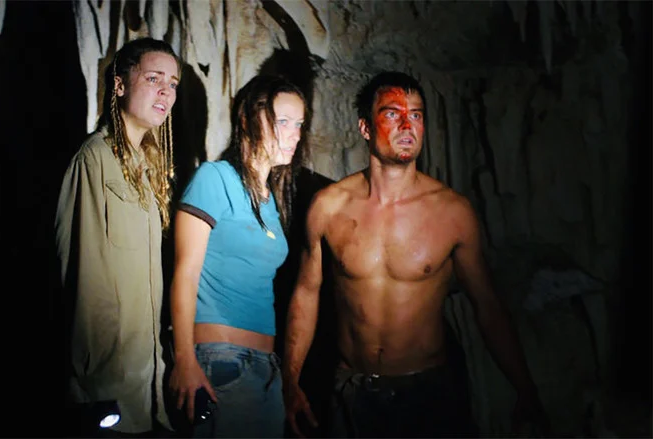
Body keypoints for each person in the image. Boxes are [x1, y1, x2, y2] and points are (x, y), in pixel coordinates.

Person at [282, 71, 549, 438]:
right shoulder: (328, 207)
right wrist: (290, 379)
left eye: (417, 115)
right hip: (353, 390)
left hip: (428, 392)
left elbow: (487, 304)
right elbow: (306, 293)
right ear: (365, 127)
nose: (408, 126)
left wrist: (525, 387)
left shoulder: (452, 213)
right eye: (393, 114)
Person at [168, 75, 309, 438]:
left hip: (266, 366)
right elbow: (185, 274)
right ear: (247, 119)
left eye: (299, 124)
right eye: (282, 121)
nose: (294, 134)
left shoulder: (270, 199)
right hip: (221, 360)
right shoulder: (214, 178)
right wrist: (184, 358)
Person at [54, 37, 180, 437]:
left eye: (173, 83)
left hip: (147, 383)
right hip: (107, 385)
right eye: (154, 78)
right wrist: (95, 382)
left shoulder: (147, 168)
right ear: (120, 85)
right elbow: (83, 274)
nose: (166, 91)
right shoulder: (94, 159)